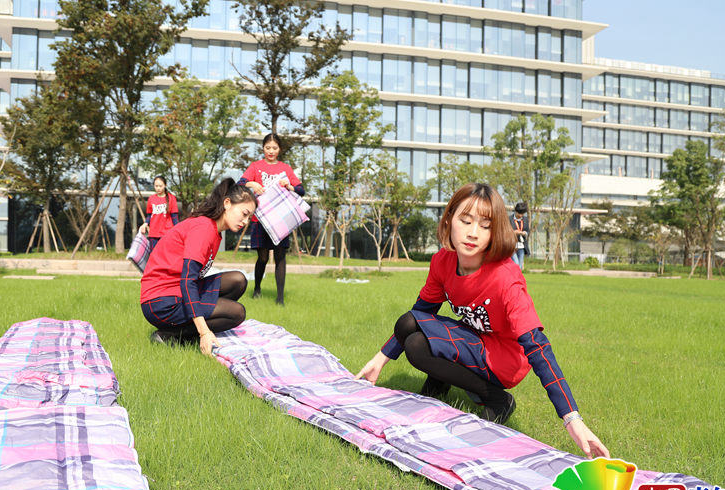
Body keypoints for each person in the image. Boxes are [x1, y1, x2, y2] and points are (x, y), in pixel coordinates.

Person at [355, 183, 609, 459]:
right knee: (409, 327)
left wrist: (572, 418)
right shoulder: (443, 261)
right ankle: (439, 382)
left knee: (417, 346)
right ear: (450, 219)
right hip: (474, 341)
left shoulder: (505, 277)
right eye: (465, 220)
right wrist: (380, 359)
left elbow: (537, 345)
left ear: (496, 231)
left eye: (485, 226)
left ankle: (497, 400)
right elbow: (420, 314)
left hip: (505, 357)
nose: (473, 233)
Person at [140, 178, 257, 356]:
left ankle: (188, 329)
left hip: (176, 291)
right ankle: (170, 335)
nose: (246, 221)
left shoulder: (215, 232)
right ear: (227, 203)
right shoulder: (204, 229)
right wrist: (204, 331)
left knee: (238, 280)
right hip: (161, 302)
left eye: (249, 217)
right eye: (244, 213)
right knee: (236, 313)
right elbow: (188, 281)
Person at [237, 133, 306, 305]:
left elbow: (301, 190)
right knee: (262, 257)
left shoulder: (285, 168)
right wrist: (252, 184)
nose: (271, 151)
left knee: (280, 256)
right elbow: (240, 183)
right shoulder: (256, 166)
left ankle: (280, 298)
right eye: (268, 148)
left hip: (281, 220)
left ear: (279, 149)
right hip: (260, 219)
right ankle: (257, 288)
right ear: (263, 148)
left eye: (274, 148)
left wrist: (289, 185)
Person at [139, 175, 179, 252]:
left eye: (160, 186)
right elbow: (149, 215)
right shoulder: (151, 198)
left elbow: (175, 218)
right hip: (153, 233)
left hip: (167, 233)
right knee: (154, 256)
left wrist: (177, 231)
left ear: (165, 185)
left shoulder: (171, 198)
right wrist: (145, 224)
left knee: (165, 256)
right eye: (156, 186)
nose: (158, 188)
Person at [510, 201, 529, 270]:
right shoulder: (509, 219)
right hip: (512, 246)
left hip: (521, 245)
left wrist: (525, 233)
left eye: (522, 214)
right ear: (516, 211)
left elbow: (528, 231)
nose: (521, 215)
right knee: (516, 264)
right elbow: (505, 232)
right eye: (519, 213)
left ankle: (516, 280)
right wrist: (513, 232)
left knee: (520, 266)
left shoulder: (525, 220)